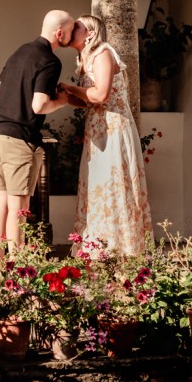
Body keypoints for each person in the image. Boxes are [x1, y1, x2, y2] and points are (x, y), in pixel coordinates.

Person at [63, 14, 152, 255]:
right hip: (97, 129)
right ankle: (98, 249)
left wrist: (70, 88)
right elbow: (90, 101)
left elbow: (101, 94)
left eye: (78, 27)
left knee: (113, 186)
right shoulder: (85, 57)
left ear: (90, 34)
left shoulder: (102, 52)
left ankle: (121, 249)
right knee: (98, 187)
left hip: (113, 130)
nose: (72, 29)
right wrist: (65, 97)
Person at [0, 9, 75, 250]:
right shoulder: (50, 61)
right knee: (19, 206)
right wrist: (63, 101)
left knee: (1, 202)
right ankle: (17, 268)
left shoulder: (19, 52)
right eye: (69, 32)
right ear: (59, 33)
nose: (72, 35)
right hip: (18, 137)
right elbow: (39, 105)